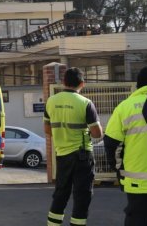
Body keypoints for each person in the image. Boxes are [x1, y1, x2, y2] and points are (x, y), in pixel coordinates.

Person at [44, 67, 103, 226]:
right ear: (82, 84)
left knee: (60, 194)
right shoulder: (85, 103)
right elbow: (97, 133)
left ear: (63, 82)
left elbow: (47, 130)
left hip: (62, 155)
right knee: (82, 195)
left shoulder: (51, 101)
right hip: (82, 155)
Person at [104, 65, 147, 226]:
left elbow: (112, 144)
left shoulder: (125, 107)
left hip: (137, 182)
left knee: (137, 220)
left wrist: (118, 169)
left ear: (138, 85)